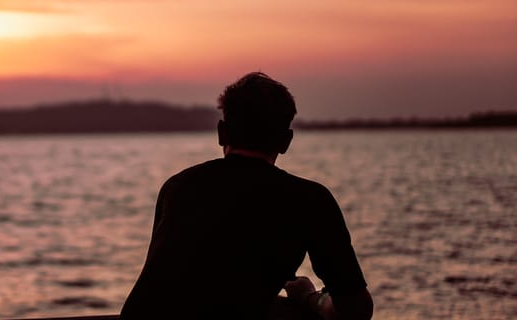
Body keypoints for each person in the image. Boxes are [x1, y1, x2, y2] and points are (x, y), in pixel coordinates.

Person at [119, 72, 373, 319]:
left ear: (221, 132)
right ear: (286, 141)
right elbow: (356, 309)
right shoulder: (310, 201)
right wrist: (309, 298)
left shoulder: (178, 188)